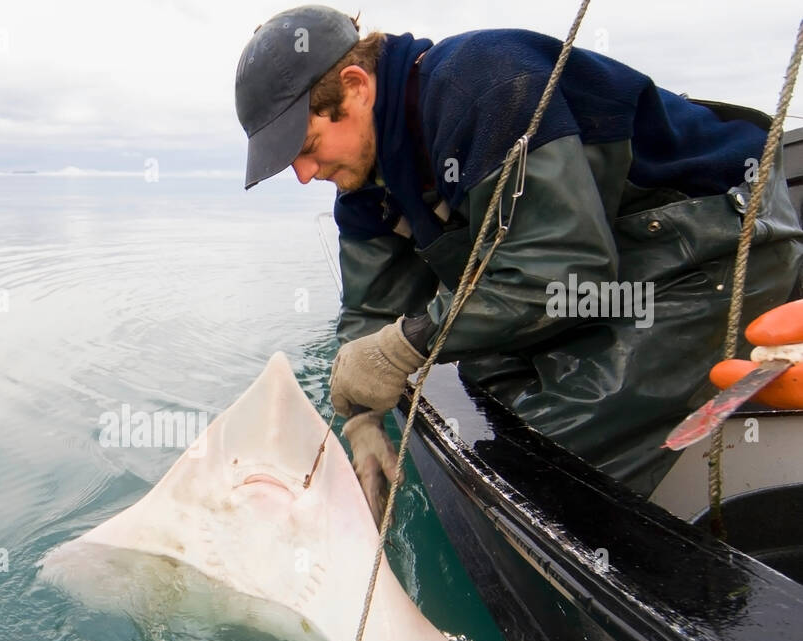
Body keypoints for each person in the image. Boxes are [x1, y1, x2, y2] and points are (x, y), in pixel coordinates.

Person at [234, 5, 803, 497]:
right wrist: (361, 418)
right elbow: (367, 317)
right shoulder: (364, 182)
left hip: (714, 236)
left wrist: (407, 344)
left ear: (357, 87)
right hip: (603, 271)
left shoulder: (484, 86)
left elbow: (567, 269)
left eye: (308, 148)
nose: (307, 175)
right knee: (483, 389)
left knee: (542, 458)